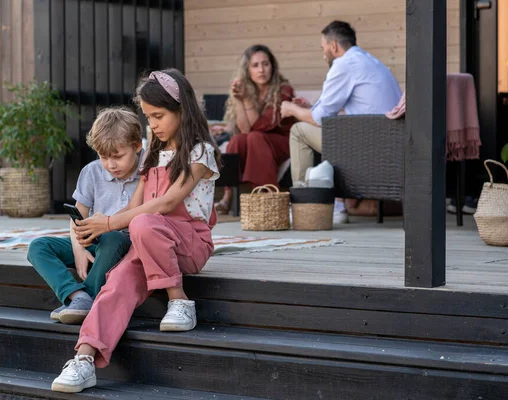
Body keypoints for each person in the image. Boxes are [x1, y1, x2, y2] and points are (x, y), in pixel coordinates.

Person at [50, 68, 221, 393]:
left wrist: (112, 223)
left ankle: (179, 299)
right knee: (116, 285)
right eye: (147, 117)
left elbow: (169, 202)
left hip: (189, 245)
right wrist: (94, 227)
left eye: (158, 116)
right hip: (148, 243)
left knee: (143, 223)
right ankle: (84, 359)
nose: (152, 125)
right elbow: (134, 209)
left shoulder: (200, 153)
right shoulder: (152, 157)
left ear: (181, 111)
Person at [27, 107, 144, 324]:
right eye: (103, 157)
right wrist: (78, 250)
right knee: (38, 247)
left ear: (137, 145)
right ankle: (77, 296)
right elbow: (77, 217)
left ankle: (87, 297)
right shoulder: (92, 172)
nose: (110, 164)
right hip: (95, 243)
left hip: (127, 243)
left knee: (112, 237)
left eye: (118, 156)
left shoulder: (149, 168)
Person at [281, 21, 402, 223]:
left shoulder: (344, 64)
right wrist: (308, 107)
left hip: (366, 147)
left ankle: (307, 205)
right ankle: (335, 205)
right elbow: (330, 112)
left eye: (323, 48)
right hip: (388, 145)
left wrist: (292, 109)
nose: (323, 54)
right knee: (322, 129)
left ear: (334, 46)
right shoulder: (371, 62)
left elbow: (319, 119)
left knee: (299, 131)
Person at [215, 44, 296, 214]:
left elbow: (262, 125)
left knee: (255, 137)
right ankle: (229, 196)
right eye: (255, 65)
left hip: (282, 141)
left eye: (265, 64)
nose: (261, 70)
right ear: (248, 70)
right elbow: (245, 130)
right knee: (238, 140)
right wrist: (238, 99)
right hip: (258, 141)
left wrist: (246, 100)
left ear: (272, 66)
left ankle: (267, 195)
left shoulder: (283, 90)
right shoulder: (246, 89)